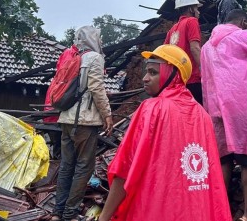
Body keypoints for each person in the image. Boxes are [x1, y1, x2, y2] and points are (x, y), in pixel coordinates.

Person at [99, 45, 231, 221]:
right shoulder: (203, 116)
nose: (145, 78)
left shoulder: (152, 109)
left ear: (173, 74)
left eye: (153, 72)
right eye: (147, 72)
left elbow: (125, 168)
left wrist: (104, 217)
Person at [201, 9, 247, 221]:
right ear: (243, 22)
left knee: (224, 160)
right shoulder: (242, 36)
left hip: (216, 108)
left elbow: (205, 79)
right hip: (242, 108)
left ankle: (221, 211)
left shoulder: (207, 46)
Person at [52, 26, 114, 221]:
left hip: (66, 119)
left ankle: (57, 212)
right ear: (94, 39)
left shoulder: (72, 57)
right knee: (83, 167)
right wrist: (107, 115)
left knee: (66, 165)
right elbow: (96, 87)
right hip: (85, 122)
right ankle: (70, 213)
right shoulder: (95, 58)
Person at [165, 0, 204, 105]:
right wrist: (205, 71)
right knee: (199, 115)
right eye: (197, 8)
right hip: (192, 79)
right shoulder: (192, 21)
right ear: (191, 8)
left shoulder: (172, 29)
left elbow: (165, 54)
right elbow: (195, 48)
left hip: (176, 81)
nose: (198, 11)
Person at [44, 44, 79, 159]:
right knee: (64, 152)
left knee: (58, 148)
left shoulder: (66, 53)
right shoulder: (77, 56)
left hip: (52, 109)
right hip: (59, 114)